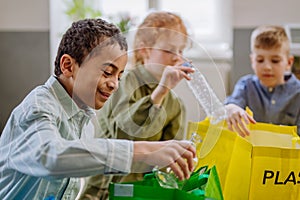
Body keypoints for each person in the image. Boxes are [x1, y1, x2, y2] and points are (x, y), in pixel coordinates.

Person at [0, 18, 196, 200]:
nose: (114, 84)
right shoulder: (38, 107)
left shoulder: (84, 123)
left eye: (118, 76)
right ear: (68, 66)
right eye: (107, 72)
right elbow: (49, 155)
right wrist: (141, 151)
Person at [80, 11, 193, 199]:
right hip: (106, 188)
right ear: (144, 50)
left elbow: (169, 160)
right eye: (169, 50)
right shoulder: (125, 83)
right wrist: (160, 92)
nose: (177, 58)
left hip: (142, 191)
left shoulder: (175, 104)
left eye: (181, 51)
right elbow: (126, 131)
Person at [225, 25, 300, 137]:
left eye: (275, 61)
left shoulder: (297, 93)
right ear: (252, 60)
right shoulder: (245, 86)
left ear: (289, 63)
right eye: (260, 60)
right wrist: (231, 108)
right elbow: (231, 104)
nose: (267, 67)